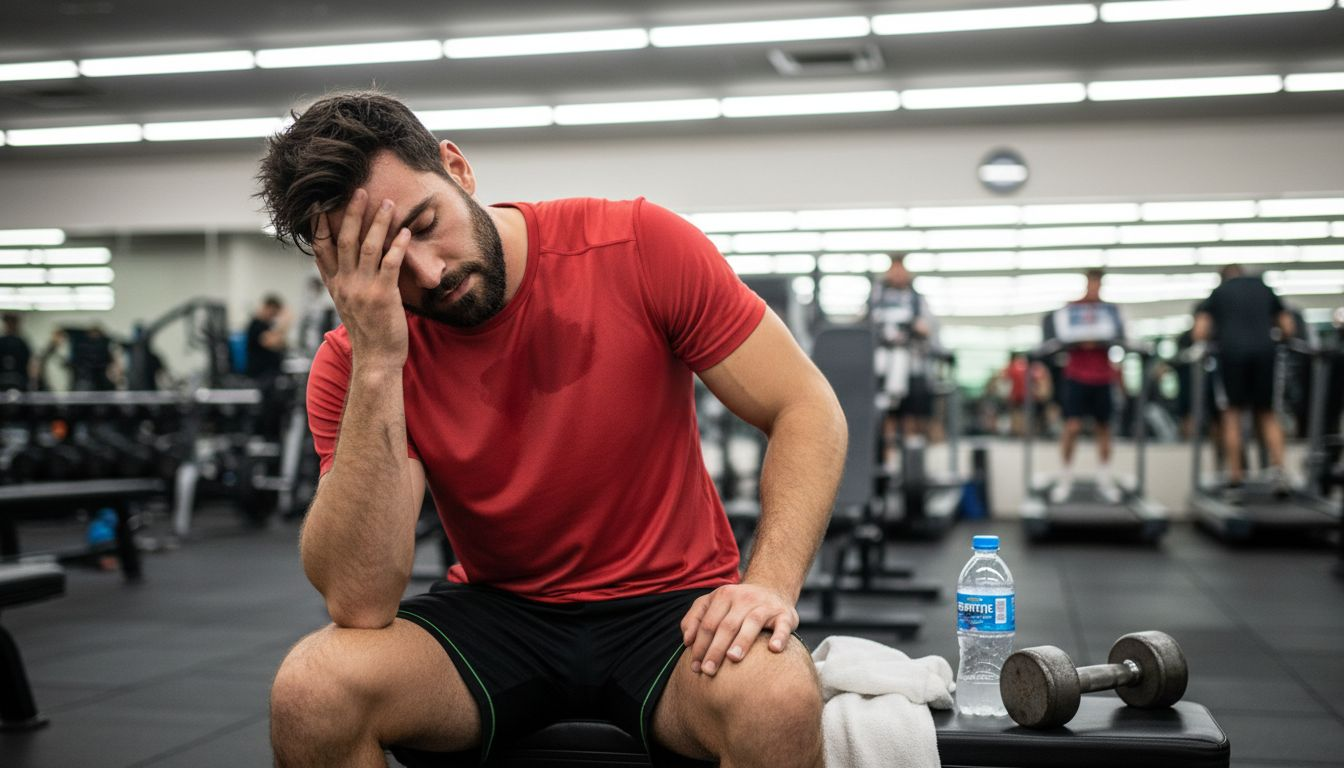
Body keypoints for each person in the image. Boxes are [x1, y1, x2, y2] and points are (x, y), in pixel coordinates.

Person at [256, 91, 843, 768]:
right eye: (386, 262)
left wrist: (769, 583)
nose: (429, 272)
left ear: (457, 169)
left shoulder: (638, 246)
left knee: (779, 696)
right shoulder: (352, 362)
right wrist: (381, 359)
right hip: (500, 615)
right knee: (312, 690)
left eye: (424, 223)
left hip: (673, 612)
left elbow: (805, 405)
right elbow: (359, 601)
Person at [1193, 264, 1295, 501]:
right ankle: (1279, 472)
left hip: (1231, 355)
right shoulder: (1264, 288)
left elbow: (1200, 332)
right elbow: (1288, 327)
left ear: (1222, 277)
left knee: (1231, 415)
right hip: (1264, 353)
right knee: (1268, 413)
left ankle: (1236, 478)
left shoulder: (1217, 294)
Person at [1047, 269, 1125, 504]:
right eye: (1091, 283)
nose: (1094, 288)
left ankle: (1104, 479)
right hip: (1076, 376)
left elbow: (1116, 334)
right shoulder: (1071, 309)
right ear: (1086, 283)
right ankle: (1065, 479)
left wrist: (1094, 338)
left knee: (1104, 428)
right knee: (1072, 427)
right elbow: (1065, 335)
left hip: (1103, 377)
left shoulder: (1110, 311)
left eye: (1098, 284)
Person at [869, 253, 939, 461]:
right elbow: (864, 321)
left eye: (901, 269)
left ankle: (911, 462)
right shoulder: (876, 296)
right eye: (894, 269)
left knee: (910, 415)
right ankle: (886, 460)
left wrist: (920, 328)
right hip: (882, 363)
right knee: (884, 414)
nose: (898, 274)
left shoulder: (917, 299)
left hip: (910, 365)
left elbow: (930, 328)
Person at [246, 294, 291, 379]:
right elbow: (270, 342)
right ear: (267, 308)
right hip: (261, 374)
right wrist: (284, 324)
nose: (274, 316)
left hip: (271, 373)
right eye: (273, 312)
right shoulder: (256, 324)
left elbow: (282, 344)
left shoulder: (267, 325)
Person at [0, 313, 32, 392]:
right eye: (8, 323)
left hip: (21, 384)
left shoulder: (22, 343)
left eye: (13, 323)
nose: (10, 325)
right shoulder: (1, 342)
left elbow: (29, 364)